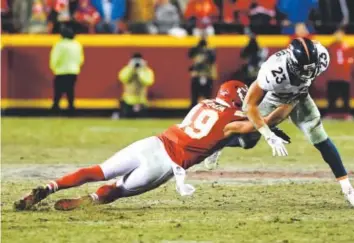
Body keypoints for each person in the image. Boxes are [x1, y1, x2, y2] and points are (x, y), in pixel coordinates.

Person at [13, 80, 290, 211]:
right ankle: (89, 200)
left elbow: (209, 136)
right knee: (118, 190)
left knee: (99, 169)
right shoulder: (234, 116)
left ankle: (50, 187)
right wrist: (284, 110)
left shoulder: (202, 103)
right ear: (237, 100)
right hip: (166, 163)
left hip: (153, 142)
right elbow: (249, 125)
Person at [240, 37, 354, 210]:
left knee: (319, 137)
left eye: (311, 69)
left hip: (299, 97)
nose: (307, 74)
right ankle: (215, 148)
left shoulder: (322, 57)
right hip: (274, 96)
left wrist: (287, 108)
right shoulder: (273, 70)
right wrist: (268, 134)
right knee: (245, 137)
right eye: (303, 69)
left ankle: (348, 189)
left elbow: (302, 85)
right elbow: (249, 105)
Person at [50, 24, 84, 114]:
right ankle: (71, 108)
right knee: (70, 90)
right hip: (73, 70)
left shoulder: (60, 44)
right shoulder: (76, 44)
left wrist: (54, 68)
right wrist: (77, 67)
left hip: (61, 71)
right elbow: (80, 58)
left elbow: (55, 58)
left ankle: (55, 107)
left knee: (58, 91)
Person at [325, 28, 354, 120]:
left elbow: (351, 60)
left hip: (344, 76)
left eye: (340, 34)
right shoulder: (330, 47)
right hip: (332, 76)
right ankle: (330, 113)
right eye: (337, 34)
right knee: (331, 96)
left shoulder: (347, 46)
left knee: (345, 96)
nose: (338, 36)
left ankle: (347, 114)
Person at [118, 53, 155, 118]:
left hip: (141, 101)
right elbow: (123, 79)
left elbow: (148, 82)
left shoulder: (146, 70)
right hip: (127, 101)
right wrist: (131, 69)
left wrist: (140, 71)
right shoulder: (127, 69)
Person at [188, 38, 217, 108]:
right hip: (198, 75)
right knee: (195, 97)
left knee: (207, 96)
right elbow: (190, 53)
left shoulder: (209, 52)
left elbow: (212, 58)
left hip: (206, 75)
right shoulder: (197, 51)